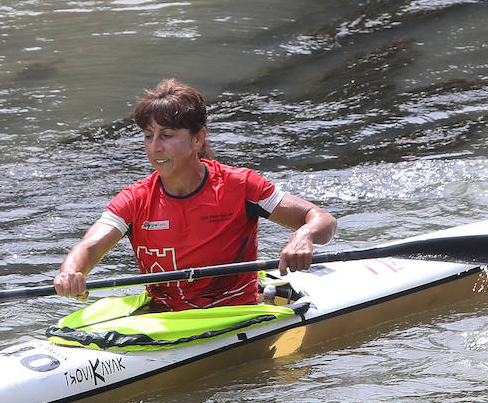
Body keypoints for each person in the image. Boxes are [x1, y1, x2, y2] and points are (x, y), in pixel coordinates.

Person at [53, 79, 337, 311]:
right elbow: (89, 247)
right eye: (148, 135)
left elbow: (323, 221)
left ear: (198, 138)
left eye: (167, 135)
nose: (154, 148)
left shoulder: (240, 186)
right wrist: (70, 272)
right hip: (168, 317)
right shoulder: (135, 199)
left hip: (236, 311)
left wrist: (305, 235)